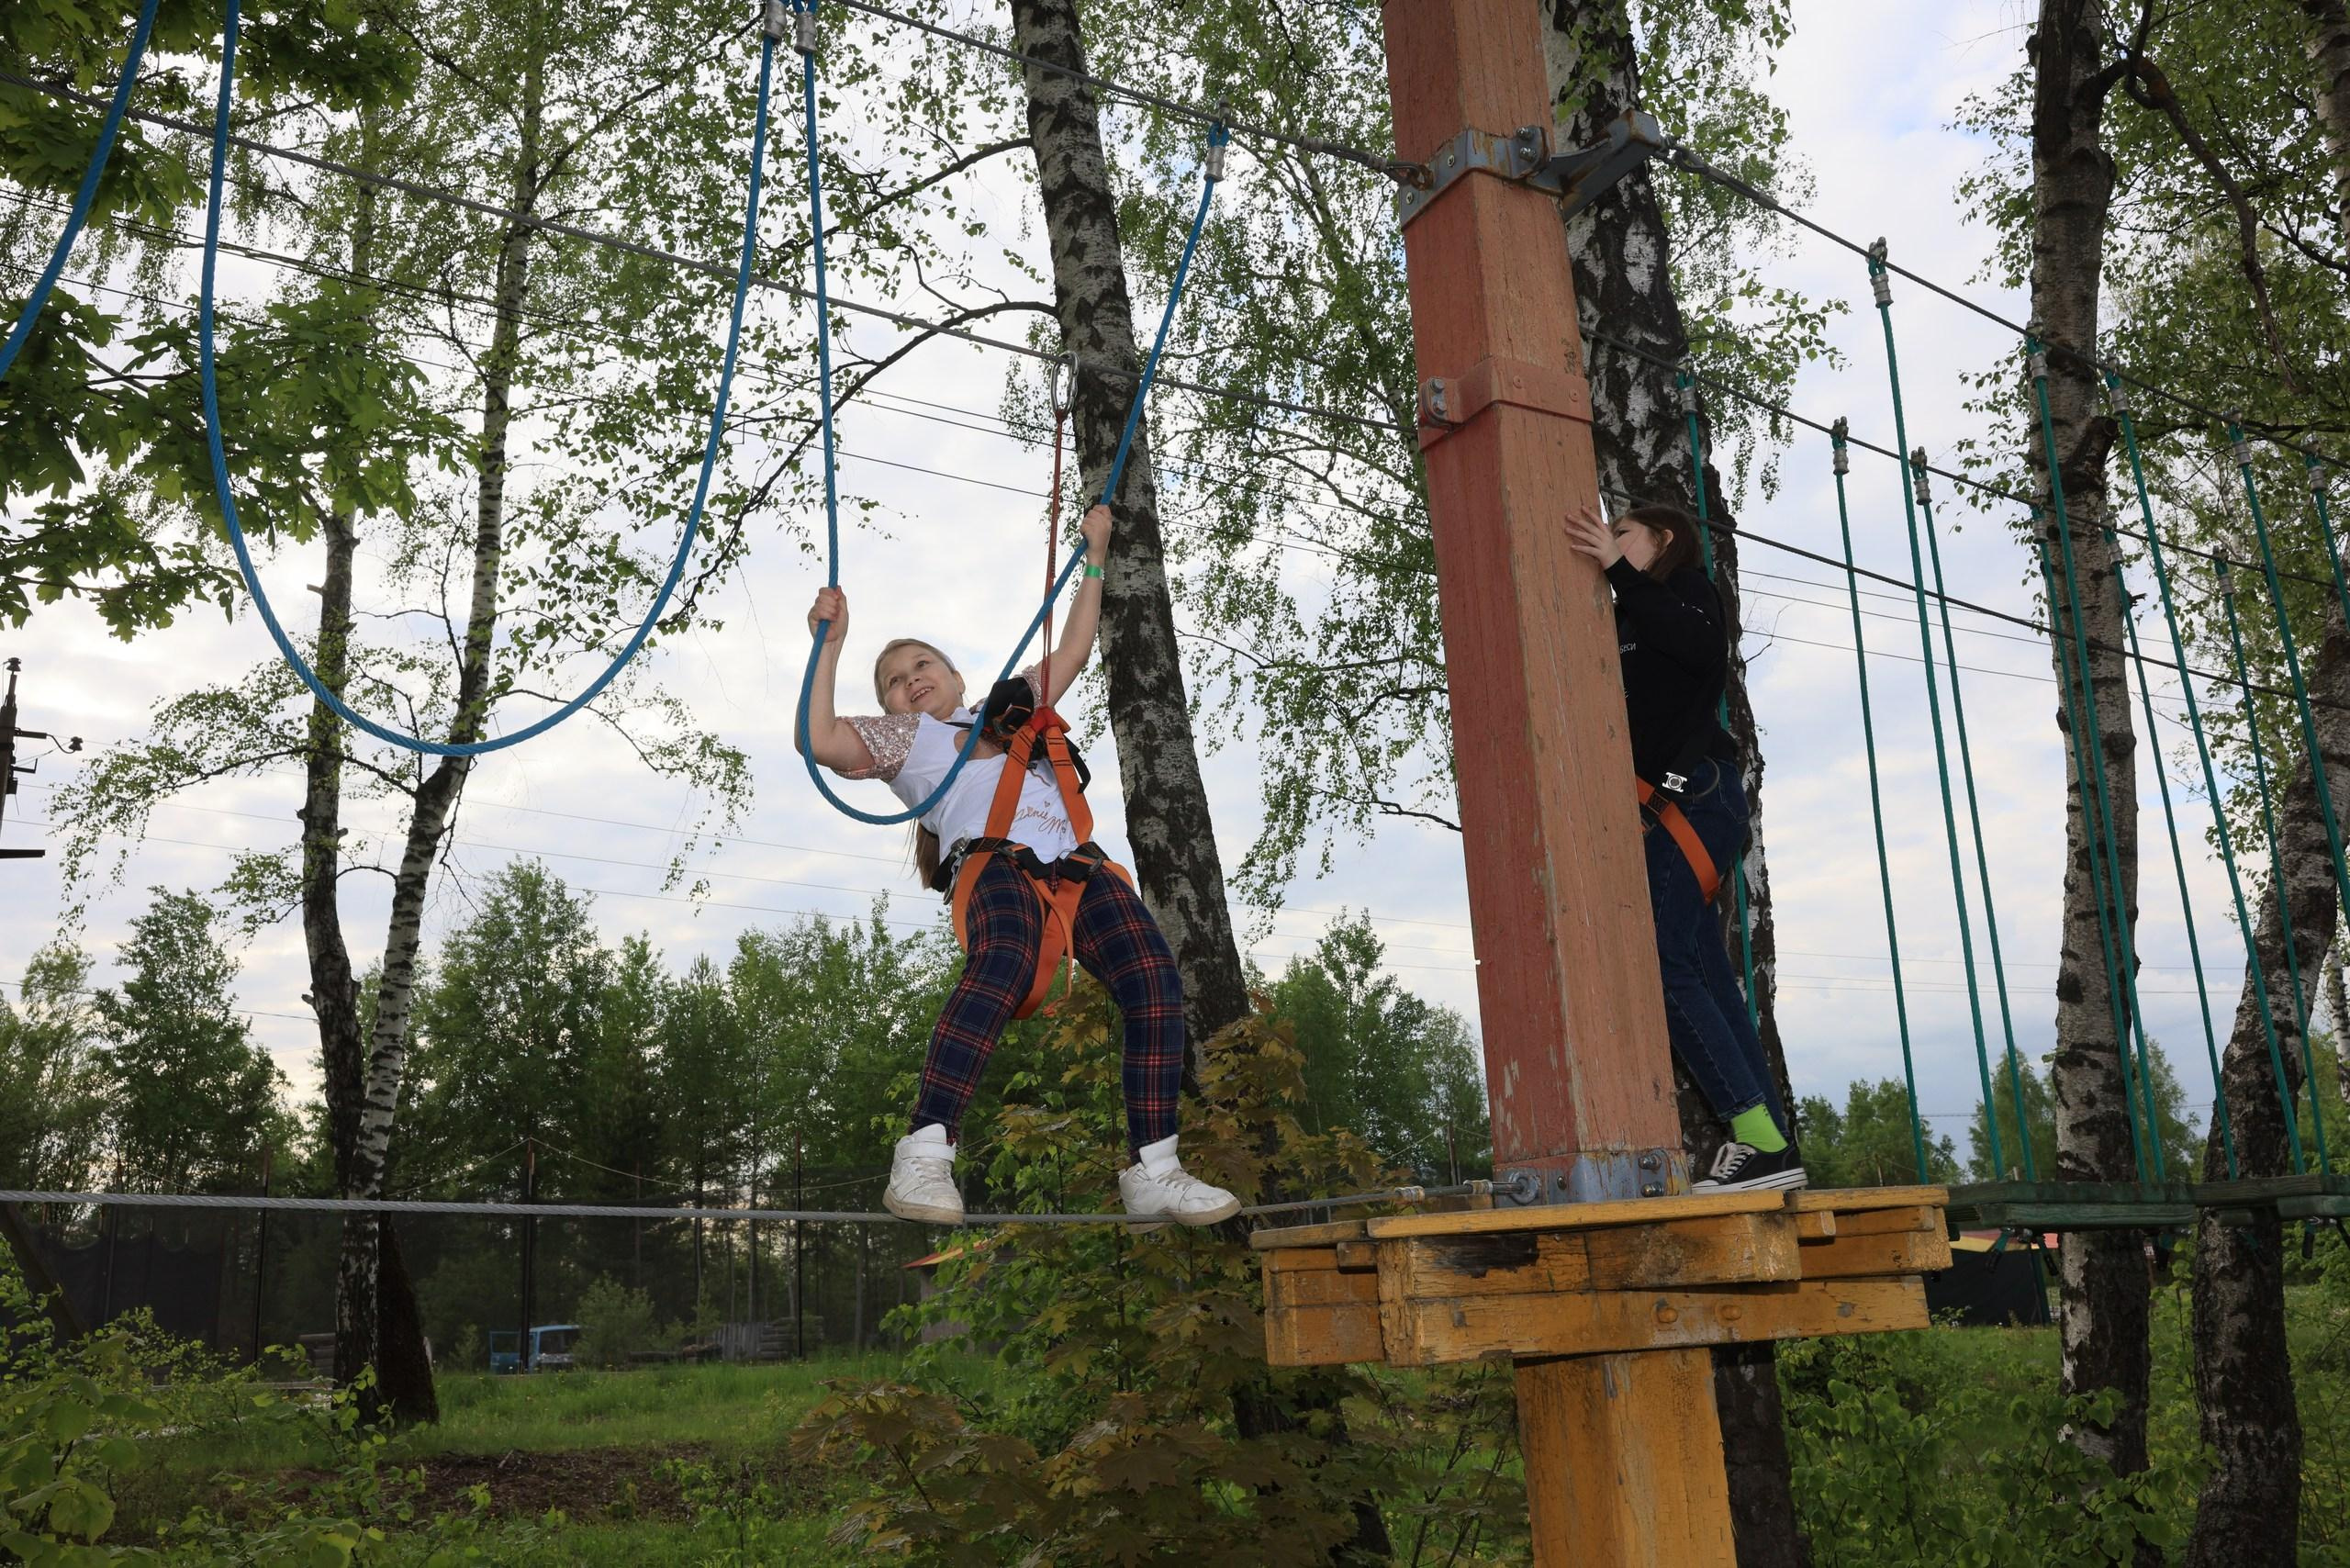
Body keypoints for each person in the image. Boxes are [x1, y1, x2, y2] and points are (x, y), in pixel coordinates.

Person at [796, 503, 1243, 1227]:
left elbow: (1072, 649)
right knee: (1003, 959)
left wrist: (1095, 554)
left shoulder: (1007, 714)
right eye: (893, 680)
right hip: (996, 865)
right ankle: (925, 1151)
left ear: (954, 673)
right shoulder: (907, 741)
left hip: (1076, 867)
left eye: (921, 666)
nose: (910, 681)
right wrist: (829, 645)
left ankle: (1155, 1167)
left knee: (1154, 979)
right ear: (887, 707)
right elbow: (818, 739)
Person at [1564, 500, 1806, 1193]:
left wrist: (1620, 574)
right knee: (1703, 971)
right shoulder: (1628, 618)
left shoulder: (1687, 592)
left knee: (1664, 966)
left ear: (1662, 540)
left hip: (1696, 796)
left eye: (1622, 533)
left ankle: (1756, 1134)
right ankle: (1771, 1144)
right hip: (1669, 806)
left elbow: (1701, 649)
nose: (1608, 543)